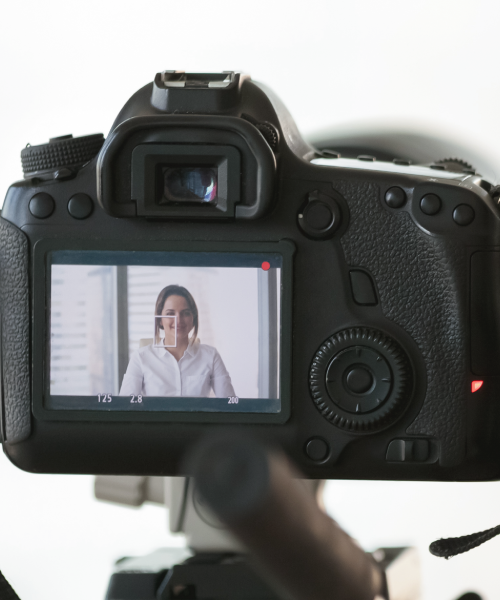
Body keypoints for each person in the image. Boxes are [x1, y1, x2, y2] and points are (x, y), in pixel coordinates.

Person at [119, 285, 235, 398]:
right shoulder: (140, 357)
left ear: (193, 319)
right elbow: (124, 409)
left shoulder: (210, 356)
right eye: (170, 314)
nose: (178, 320)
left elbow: (230, 405)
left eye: (185, 313)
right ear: (160, 320)